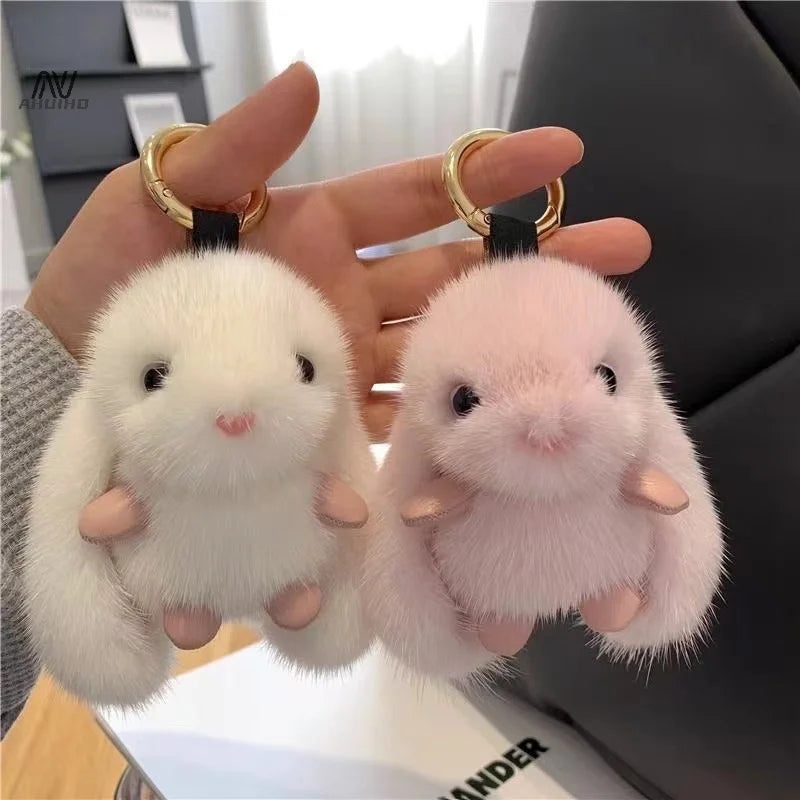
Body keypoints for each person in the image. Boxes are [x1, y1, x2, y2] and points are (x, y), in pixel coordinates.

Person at [0, 62, 651, 736]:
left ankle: (311, 598)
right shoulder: (140, 395)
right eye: (157, 379)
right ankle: (268, 602)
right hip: (188, 556)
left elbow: (361, 496)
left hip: (322, 547)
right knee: (208, 605)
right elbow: (87, 503)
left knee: (315, 589)